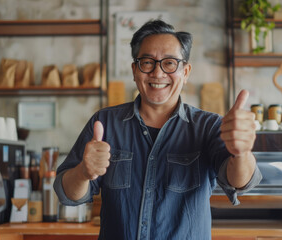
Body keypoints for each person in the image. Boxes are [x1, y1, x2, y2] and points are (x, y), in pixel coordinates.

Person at [54, 19, 262, 240]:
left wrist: (242, 152)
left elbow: (239, 182)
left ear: (186, 71)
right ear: (135, 70)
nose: (158, 72)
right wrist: (83, 173)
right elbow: (67, 194)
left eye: (170, 63)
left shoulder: (208, 127)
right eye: (147, 62)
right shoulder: (104, 122)